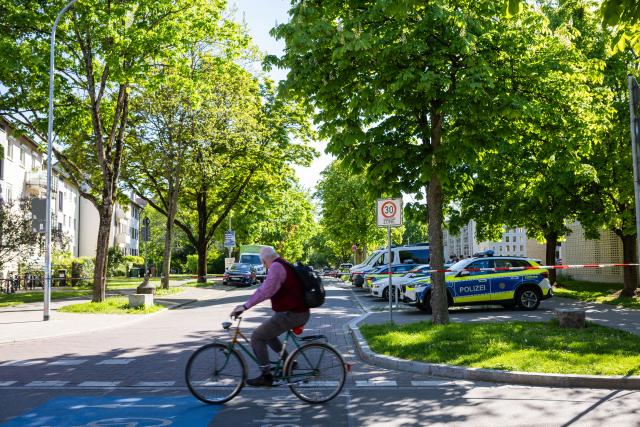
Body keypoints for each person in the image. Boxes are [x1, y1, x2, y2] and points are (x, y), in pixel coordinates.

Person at [230, 246, 310, 387]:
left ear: (265, 259)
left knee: (257, 336)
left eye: (263, 262)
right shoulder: (282, 263)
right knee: (268, 334)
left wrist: (245, 306)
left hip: (293, 314)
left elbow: (264, 291)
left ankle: (266, 376)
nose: (263, 265)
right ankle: (288, 361)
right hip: (295, 312)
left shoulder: (276, 267)